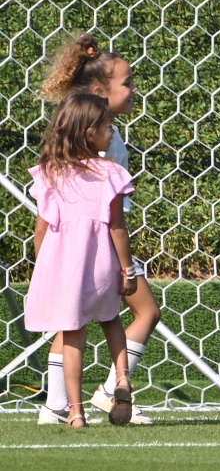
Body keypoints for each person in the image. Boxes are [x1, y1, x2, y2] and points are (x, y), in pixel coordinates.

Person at [35, 34, 159, 426]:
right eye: (128, 82)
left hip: (82, 247)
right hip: (101, 246)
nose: (135, 89)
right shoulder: (102, 145)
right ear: (99, 92)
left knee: (72, 320)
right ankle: (108, 391)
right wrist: (125, 264)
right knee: (143, 311)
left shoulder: (104, 136)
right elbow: (110, 215)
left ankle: (60, 405)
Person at [25, 93, 138, 428]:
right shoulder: (111, 174)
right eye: (108, 126)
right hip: (101, 262)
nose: (113, 132)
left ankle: (75, 413)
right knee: (111, 319)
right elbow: (117, 227)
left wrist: (42, 268)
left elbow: (41, 230)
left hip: (63, 267)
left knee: (72, 336)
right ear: (90, 133)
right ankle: (121, 379)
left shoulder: (50, 174)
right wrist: (127, 270)